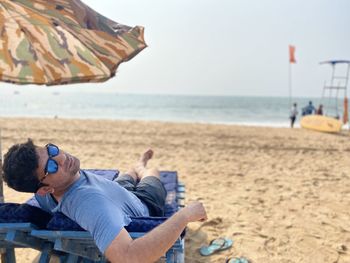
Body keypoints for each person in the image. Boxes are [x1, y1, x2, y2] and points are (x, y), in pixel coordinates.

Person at [2, 139, 207, 263]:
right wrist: (184, 215)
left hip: (116, 192)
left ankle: (135, 167)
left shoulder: (45, 193)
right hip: (143, 201)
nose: (62, 158)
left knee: (126, 178)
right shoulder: (90, 204)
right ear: (46, 188)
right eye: (52, 167)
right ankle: (142, 166)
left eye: (52, 150)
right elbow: (128, 257)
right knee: (152, 174)